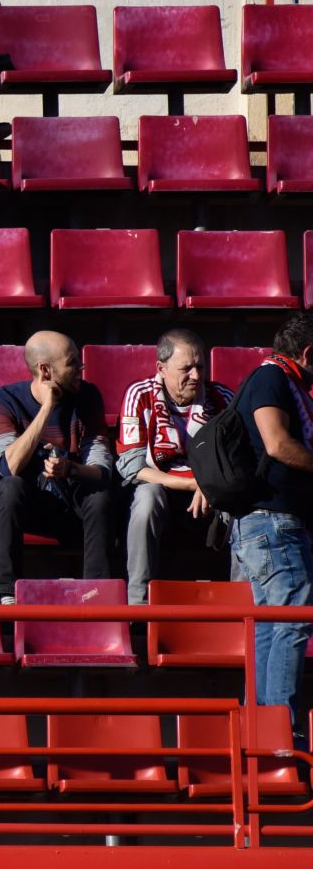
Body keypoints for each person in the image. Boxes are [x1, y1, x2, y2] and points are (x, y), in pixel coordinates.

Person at [0, 331, 118, 604]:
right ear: (45, 370)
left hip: (74, 505)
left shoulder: (88, 396)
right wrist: (47, 408)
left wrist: (71, 469)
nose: (81, 368)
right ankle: (7, 595)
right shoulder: (5, 400)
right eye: (72, 363)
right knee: (8, 487)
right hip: (31, 507)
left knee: (100, 495)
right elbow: (9, 466)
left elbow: (102, 468)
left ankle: (97, 597)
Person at [226, 313, 313, 738]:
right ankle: (280, 729)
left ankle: (260, 729)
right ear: (309, 353)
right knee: (293, 619)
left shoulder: (281, 380)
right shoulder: (271, 379)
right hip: (272, 522)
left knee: (270, 624)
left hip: (269, 523)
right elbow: (278, 443)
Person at [117, 329, 235, 605]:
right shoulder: (140, 395)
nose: (195, 376)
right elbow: (133, 468)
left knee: (240, 506)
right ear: (161, 368)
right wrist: (192, 483)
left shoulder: (222, 398)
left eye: (200, 367)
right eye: (186, 368)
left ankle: (240, 601)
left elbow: (235, 462)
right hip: (164, 486)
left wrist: (209, 484)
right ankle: (138, 602)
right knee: (147, 499)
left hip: (210, 489)